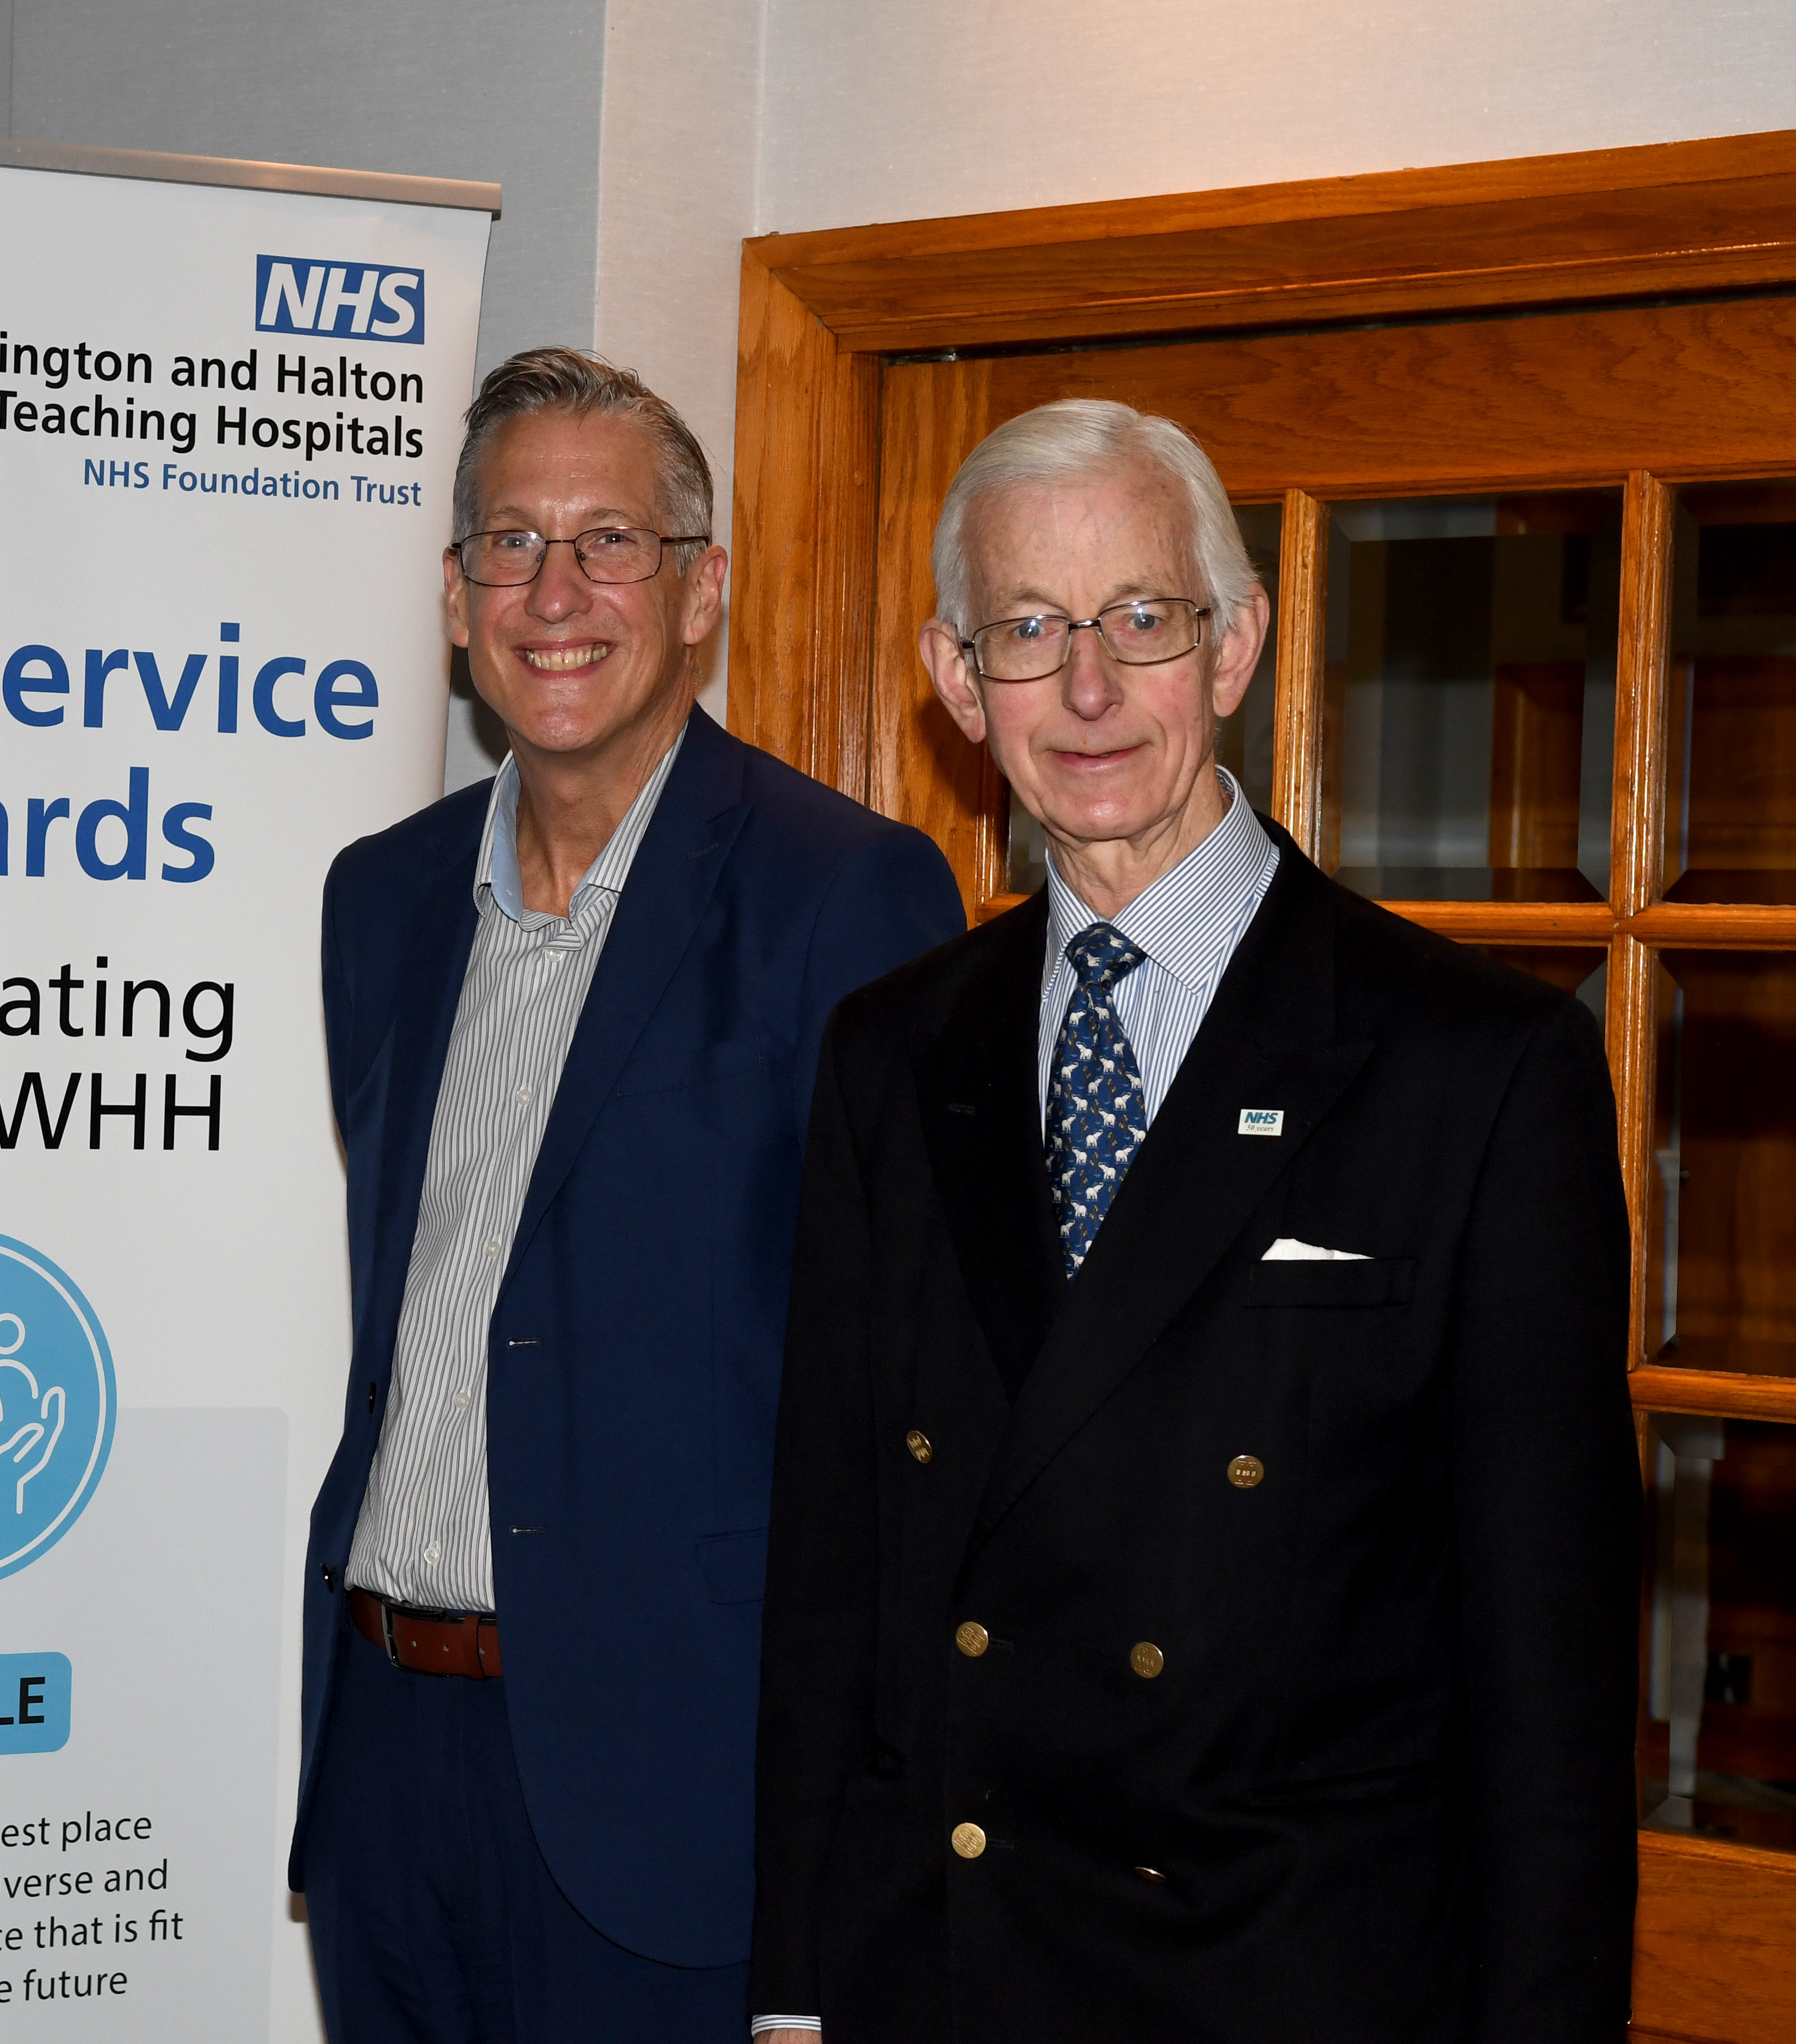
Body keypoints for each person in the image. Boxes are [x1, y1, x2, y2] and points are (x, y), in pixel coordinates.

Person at [747, 399, 1637, 2040]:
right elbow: (833, 1572)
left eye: (1141, 621)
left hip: (1290, 1983)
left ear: (1236, 648)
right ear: (958, 682)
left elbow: (1554, 1687)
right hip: (943, 1970)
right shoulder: (894, 1049)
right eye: (1031, 629)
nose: (1089, 689)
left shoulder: (1479, 1068)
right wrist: (795, 1989)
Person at [291, 348, 965, 2042]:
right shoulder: (378, 903)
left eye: (612, 543)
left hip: (668, 1784)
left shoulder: (849, 894)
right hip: (384, 1744)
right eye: (510, 546)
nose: (557, 593)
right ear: (455, 598)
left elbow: (902, 1399)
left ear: (700, 590)